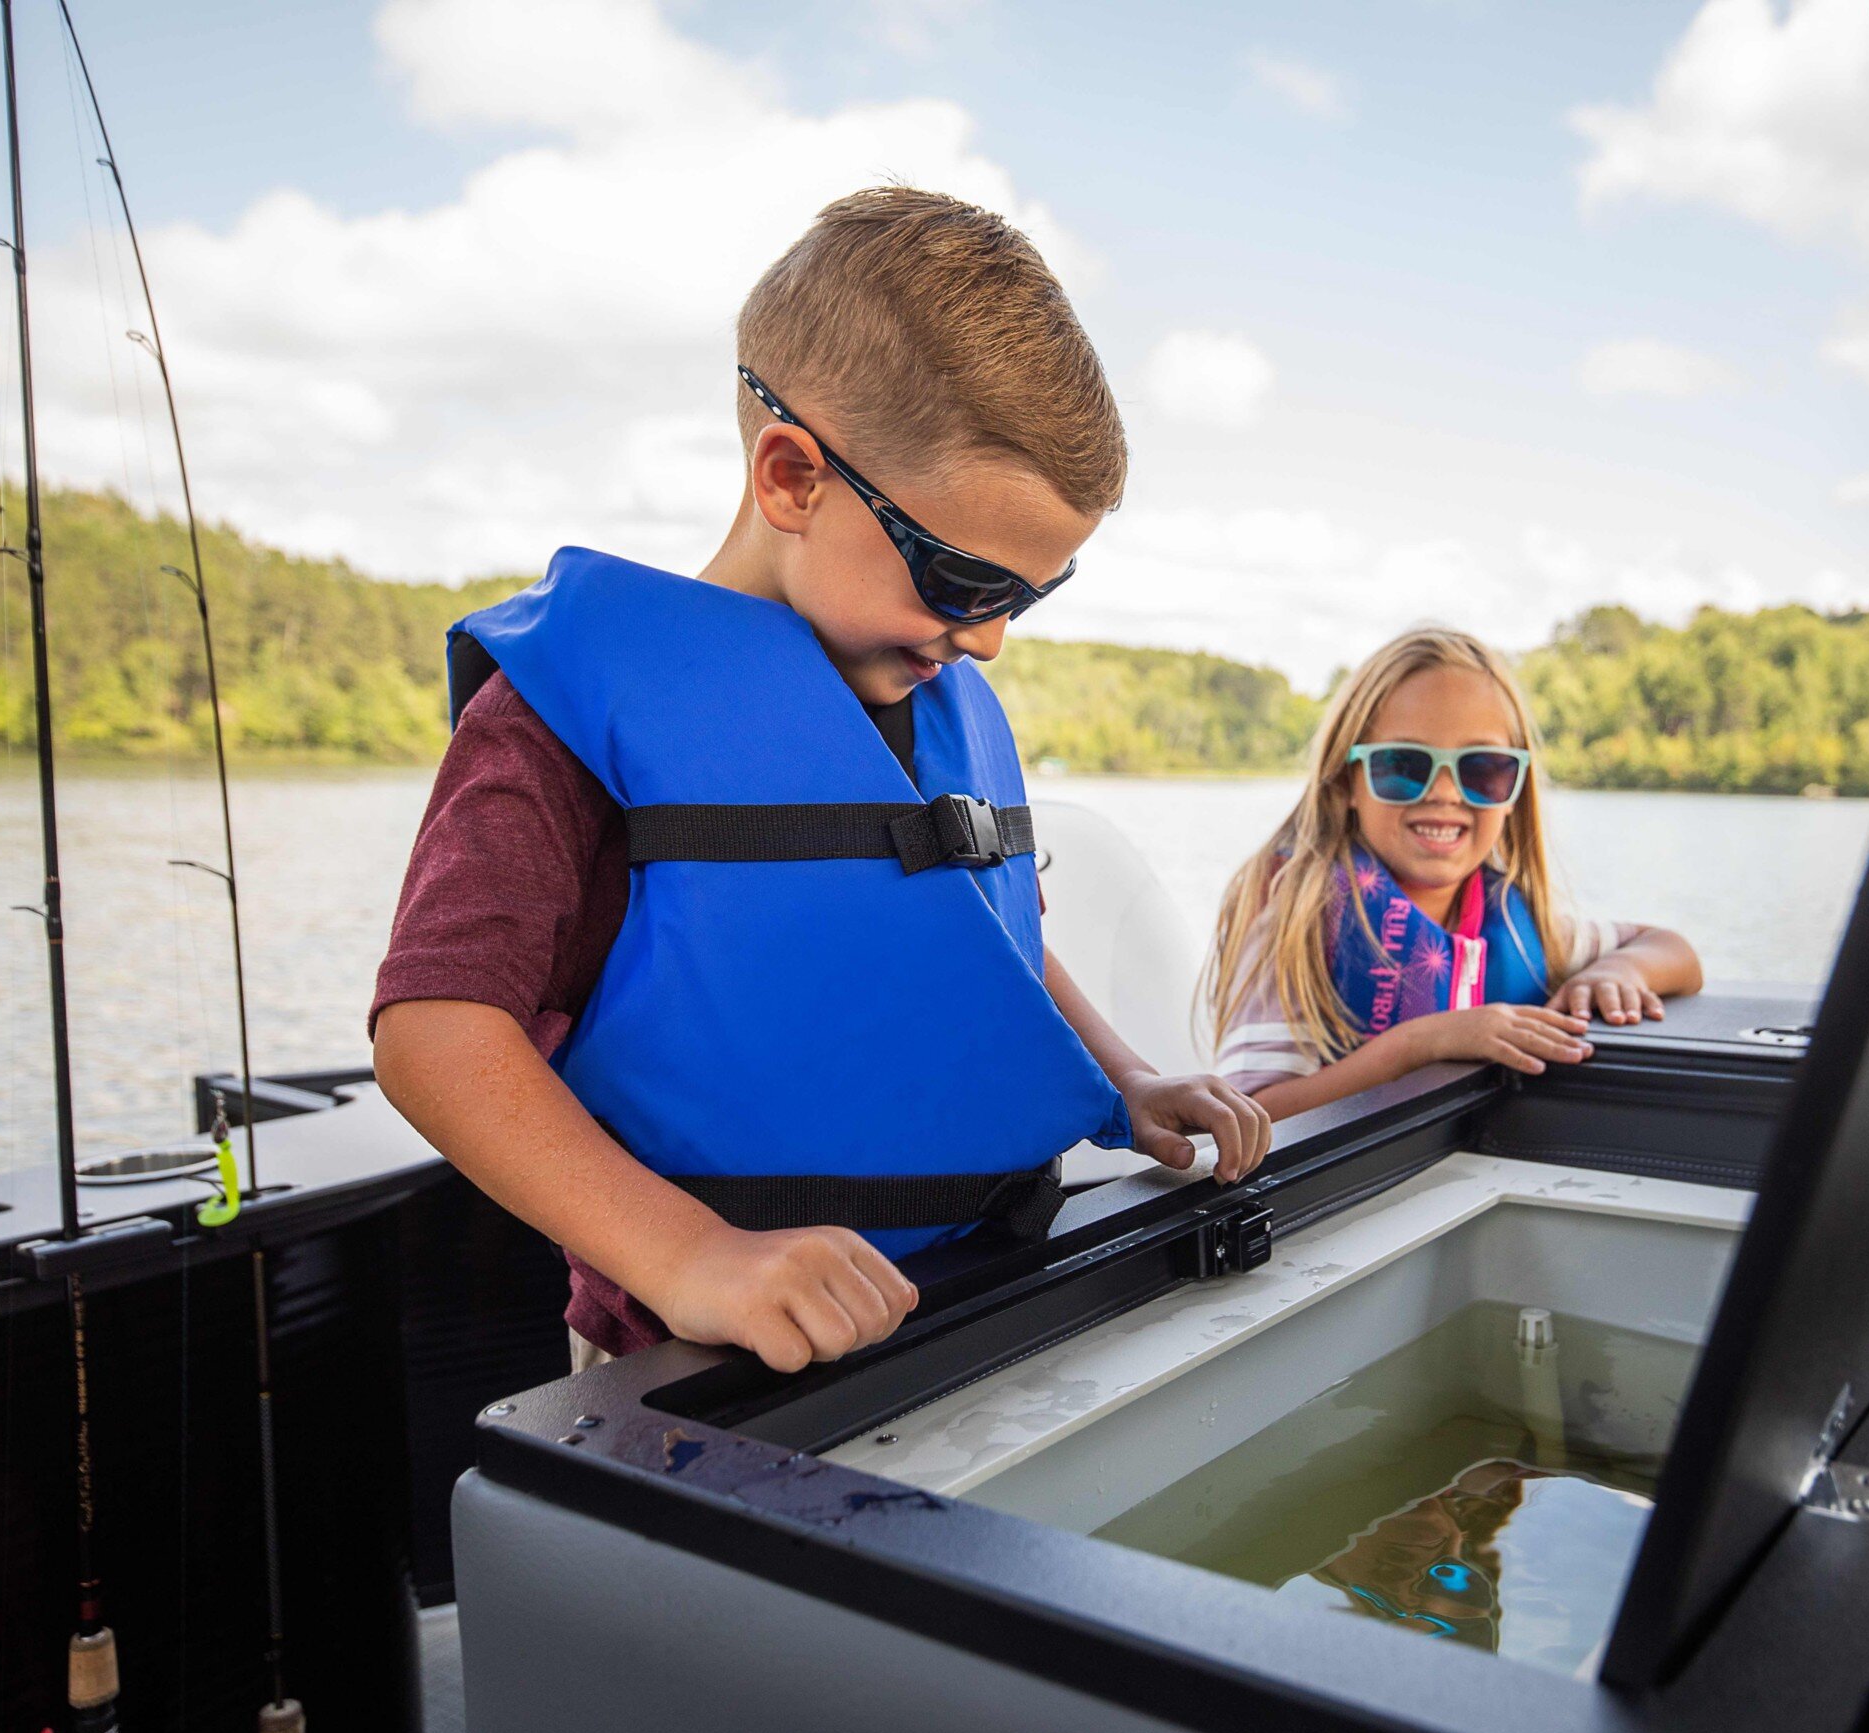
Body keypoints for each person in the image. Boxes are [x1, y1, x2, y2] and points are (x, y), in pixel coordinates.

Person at [372, 189, 1271, 1377]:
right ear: (791, 477)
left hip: (976, 1292)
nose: (990, 638)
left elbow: (985, 940)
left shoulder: (930, 697)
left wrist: (1130, 1079)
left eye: (1024, 595)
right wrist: (693, 1256)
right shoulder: (559, 716)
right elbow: (433, 1029)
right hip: (701, 1368)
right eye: (960, 580)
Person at [1205, 628, 1701, 1117]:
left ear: (1515, 791)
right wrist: (1422, 1044)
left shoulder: (1526, 929)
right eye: (1403, 765)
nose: (1444, 792)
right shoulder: (1300, 923)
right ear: (1346, 783)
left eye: (1483, 767)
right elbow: (1249, 1113)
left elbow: (1673, 950)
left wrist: (1619, 969)